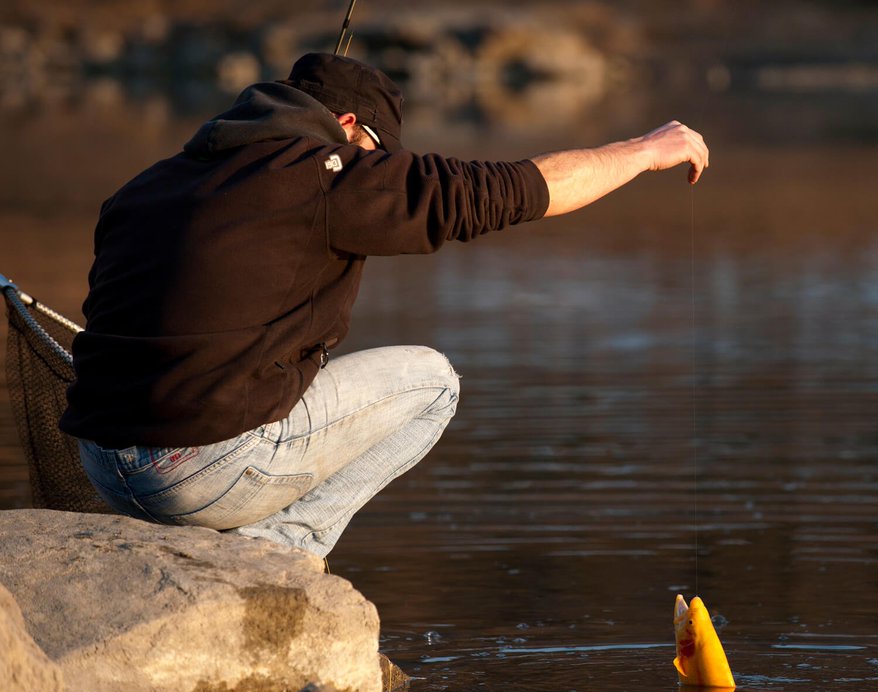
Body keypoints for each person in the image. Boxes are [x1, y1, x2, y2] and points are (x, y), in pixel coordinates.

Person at [60, 52, 708, 558]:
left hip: (102, 464)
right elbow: (520, 190)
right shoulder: (326, 176)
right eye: (378, 150)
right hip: (199, 474)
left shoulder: (150, 183)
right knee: (431, 383)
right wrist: (646, 151)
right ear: (347, 127)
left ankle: (245, 534)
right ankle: (279, 553)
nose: (379, 167)